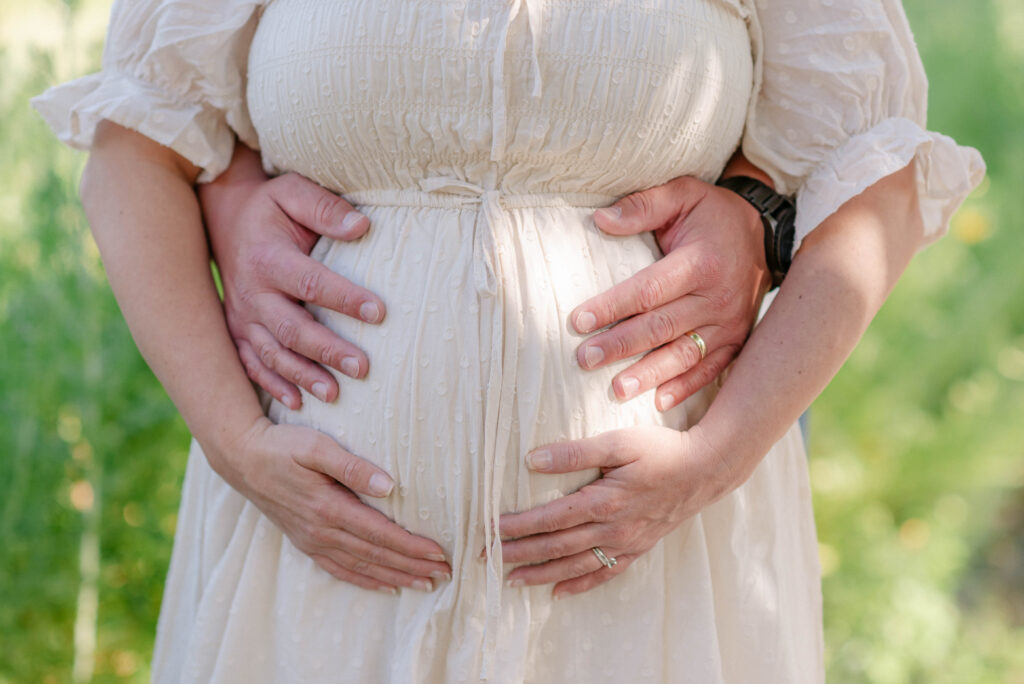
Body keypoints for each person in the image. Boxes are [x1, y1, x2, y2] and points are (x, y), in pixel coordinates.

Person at [32, 0, 983, 682]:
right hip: (315, 557)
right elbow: (136, 146)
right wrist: (240, 448)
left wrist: (713, 458)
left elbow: (875, 179)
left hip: (651, 570)